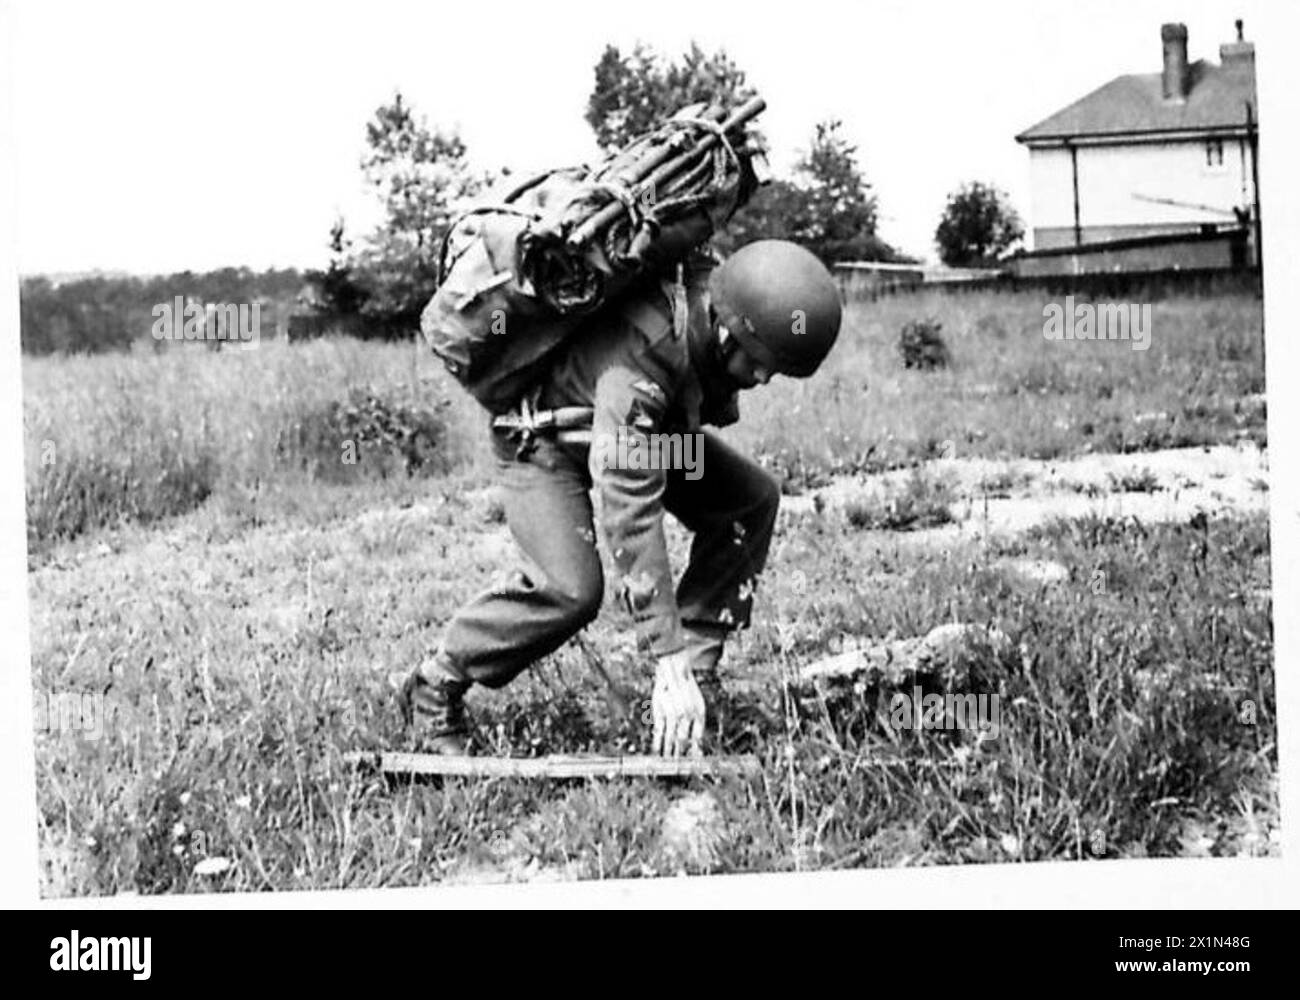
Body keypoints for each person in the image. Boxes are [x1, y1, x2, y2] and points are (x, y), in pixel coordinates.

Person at [397, 239, 842, 756]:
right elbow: (629, 508)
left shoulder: (706, 294)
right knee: (570, 589)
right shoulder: (645, 356)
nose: (763, 378)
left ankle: (699, 683)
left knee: (749, 500)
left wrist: (685, 660)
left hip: (640, 439)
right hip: (541, 442)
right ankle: (435, 684)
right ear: (725, 332)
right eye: (760, 362)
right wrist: (664, 653)